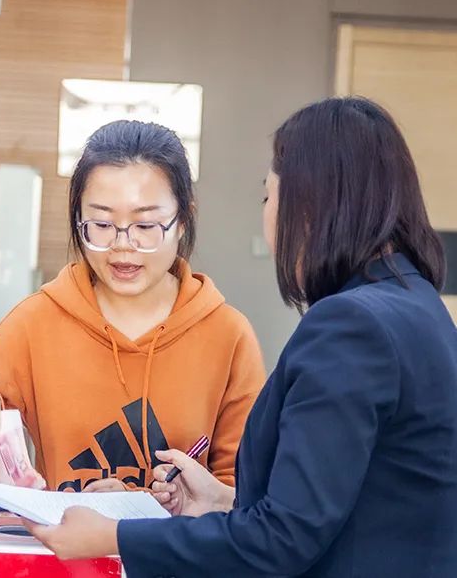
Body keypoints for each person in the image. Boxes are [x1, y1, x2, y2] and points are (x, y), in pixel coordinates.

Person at [26, 97, 457, 578]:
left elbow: (283, 538)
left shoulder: (349, 328)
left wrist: (114, 536)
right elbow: (342, 501)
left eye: (268, 197)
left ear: (310, 206)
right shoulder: (419, 304)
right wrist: (223, 501)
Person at [0, 121, 266, 497]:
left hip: (183, 540)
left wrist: (186, 503)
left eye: (145, 225)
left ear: (183, 220)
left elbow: (248, 489)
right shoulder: (35, 323)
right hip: (65, 537)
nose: (123, 244)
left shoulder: (227, 335)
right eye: (101, 223)